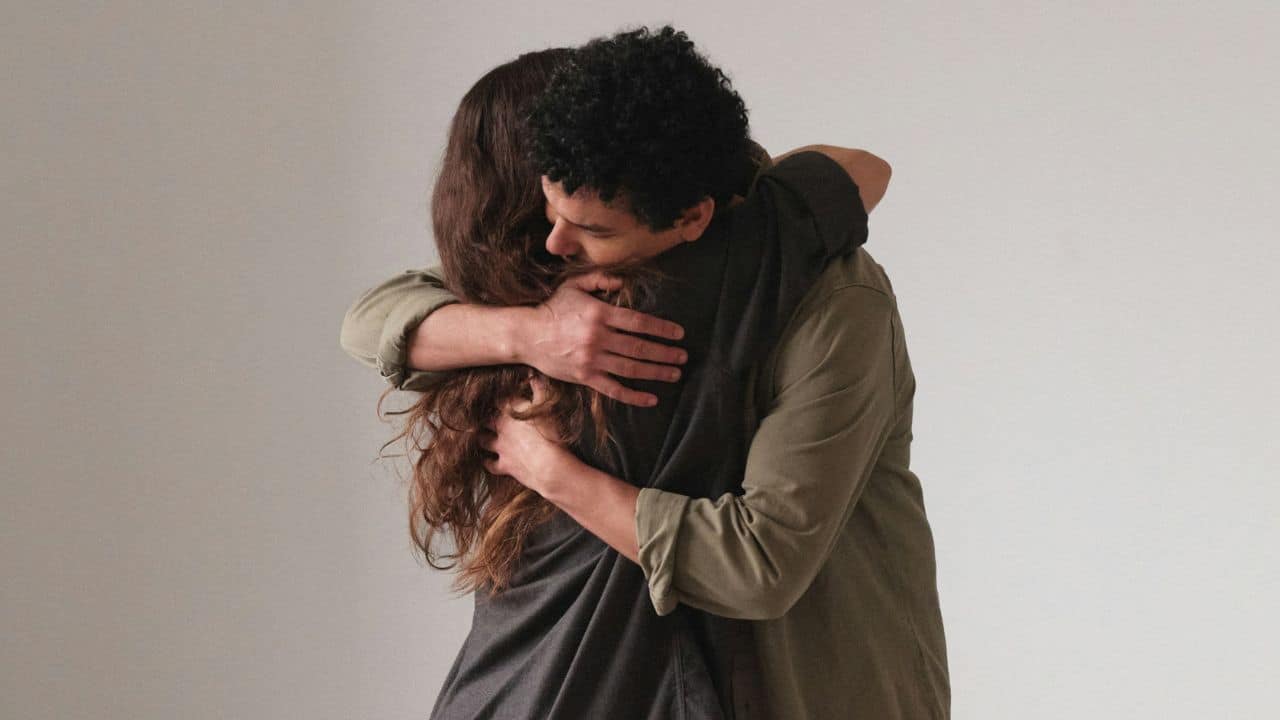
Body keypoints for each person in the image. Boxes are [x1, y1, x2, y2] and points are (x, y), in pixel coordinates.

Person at [342, 26, 949, 719]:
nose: (557, 244)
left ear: (693, 217)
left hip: (809, 682)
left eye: (592, 229)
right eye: (550, 214)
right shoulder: (568, 277)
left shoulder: (829, 300)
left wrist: (549, 470)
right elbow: (373, 320)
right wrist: (535, 332)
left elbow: (761, 564)